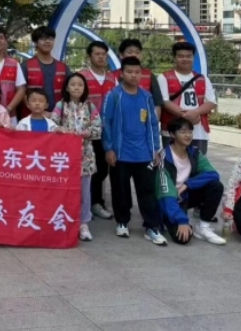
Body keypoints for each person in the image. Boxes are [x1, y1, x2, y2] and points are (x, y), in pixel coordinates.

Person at [100, 57, 167, 245]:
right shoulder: (114, 95)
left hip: (144, 154)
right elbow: (106, 123)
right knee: (120, 190)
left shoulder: (146, 97)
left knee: (147, 191)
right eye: (129, 72)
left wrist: (155, 149)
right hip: (120, 154)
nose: (134, 75)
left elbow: (153, 124)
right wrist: (109, 148)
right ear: (122, 74)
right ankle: (122, 222)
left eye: (137, 72)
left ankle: (151, 227)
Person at [156, 118, 226, 245]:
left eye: (190, 132)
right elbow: (166, 194)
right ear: (172, 134)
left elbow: (213, 174)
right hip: (167, 200)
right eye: (183, 132)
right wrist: (182, 220)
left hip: (184, 196)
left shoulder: (194, 152)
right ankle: (167, 219)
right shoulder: (163, 157)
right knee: (183, 238)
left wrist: (187, 184)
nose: (188, 135)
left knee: (216, 186)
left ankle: (203, 227)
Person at [52, 74, 102, 242]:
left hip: (85, 156)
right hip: (64, 157)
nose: (76, 87)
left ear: (84, 88)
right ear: (67, 87)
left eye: (80, 84)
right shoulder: (60, 105)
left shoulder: (90, 106)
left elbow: (98, 128)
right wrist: (60, 130)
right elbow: (52, 125)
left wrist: (88, 132)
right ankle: (63, 220)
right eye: (72, 84)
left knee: (84, 191)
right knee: (64, 190)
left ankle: (83, 223)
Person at [159, 41, 218, 155]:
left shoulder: (202, 78)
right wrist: (185, 117)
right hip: (172, 132)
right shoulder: (163, 77)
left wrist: (196, 112)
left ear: (193, 57)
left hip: (198, 132)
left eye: (188, 56)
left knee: (198, 164)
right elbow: (164, 101)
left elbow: (211, 102)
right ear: (175, 57)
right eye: (181, 56)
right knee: (172, 163)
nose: (185, 59)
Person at [80, 41, 117, 222]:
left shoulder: (112, 79)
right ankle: (90, 203)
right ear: (90, 56)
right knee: (88, 169)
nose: (101, 57)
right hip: (87, 131)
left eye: (104, 54)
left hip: (107, 131)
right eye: (97, 54)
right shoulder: (82, 77)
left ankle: (94, 203)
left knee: (102, 169)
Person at [20, 26, 68, 115]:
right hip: (32, 117)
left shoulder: (63, 68)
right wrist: (38, 111)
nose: (47, 41)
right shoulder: (25, 66)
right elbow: (20, 92)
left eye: (50, 39)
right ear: (35, 42)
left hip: (57, 117)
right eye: (43, 39)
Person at [112, 38, 164, 118]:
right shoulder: (112, 76)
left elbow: (157, 102)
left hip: (143, 119)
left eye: (137, 52)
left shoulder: (149, 75)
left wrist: (154, 123)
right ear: (121, 55)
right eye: (130, 52)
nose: (134, 55)